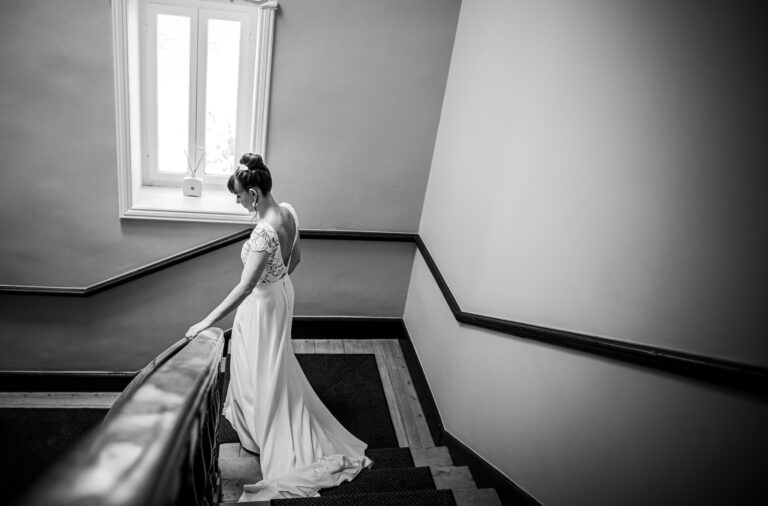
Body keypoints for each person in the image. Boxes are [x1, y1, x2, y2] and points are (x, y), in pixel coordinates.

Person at [186, 153, 372, 501]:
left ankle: (264, 428)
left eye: (238, 195)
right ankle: (262, 416)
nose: (237, 201)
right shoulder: (288, 211)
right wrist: (276, 284)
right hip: (282, 294)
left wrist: (206, 322)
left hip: (261, 306)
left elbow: (244, 288)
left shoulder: (262, 234)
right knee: (273, 360)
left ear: (253, 193)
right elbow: (296, 259)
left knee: (259, 364)